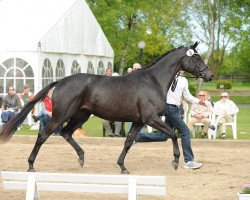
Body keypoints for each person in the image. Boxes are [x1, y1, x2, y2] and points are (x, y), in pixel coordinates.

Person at [164, 71, 205, 169]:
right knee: (185, 131)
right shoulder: (167, 76)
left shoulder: (183, 80)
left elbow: (187, 96)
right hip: (169, 108)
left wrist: (198, 101)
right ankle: (189, 161)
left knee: (163, 135)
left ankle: (138, 137)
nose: (181, 70)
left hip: (175, 108)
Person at [102, 68, 122, 137]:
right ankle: (110, 133)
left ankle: (117, 134)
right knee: (104, 121)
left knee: (118, 121)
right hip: (107, 112)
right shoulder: (106, 87)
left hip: (117, 112)